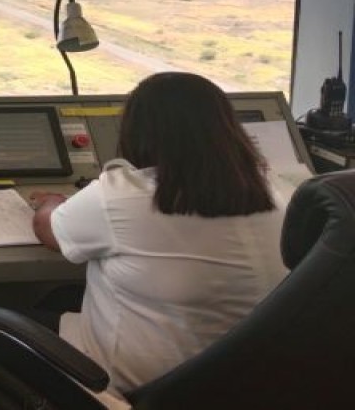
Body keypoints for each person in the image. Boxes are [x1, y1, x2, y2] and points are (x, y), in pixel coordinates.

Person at [30, 72, 288, 397]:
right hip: (240, 386)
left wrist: (51, 202)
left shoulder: (122, 195)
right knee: (61, 298)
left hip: (133, 390)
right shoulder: (274, 194)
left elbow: (48, 229)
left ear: (138, 133)